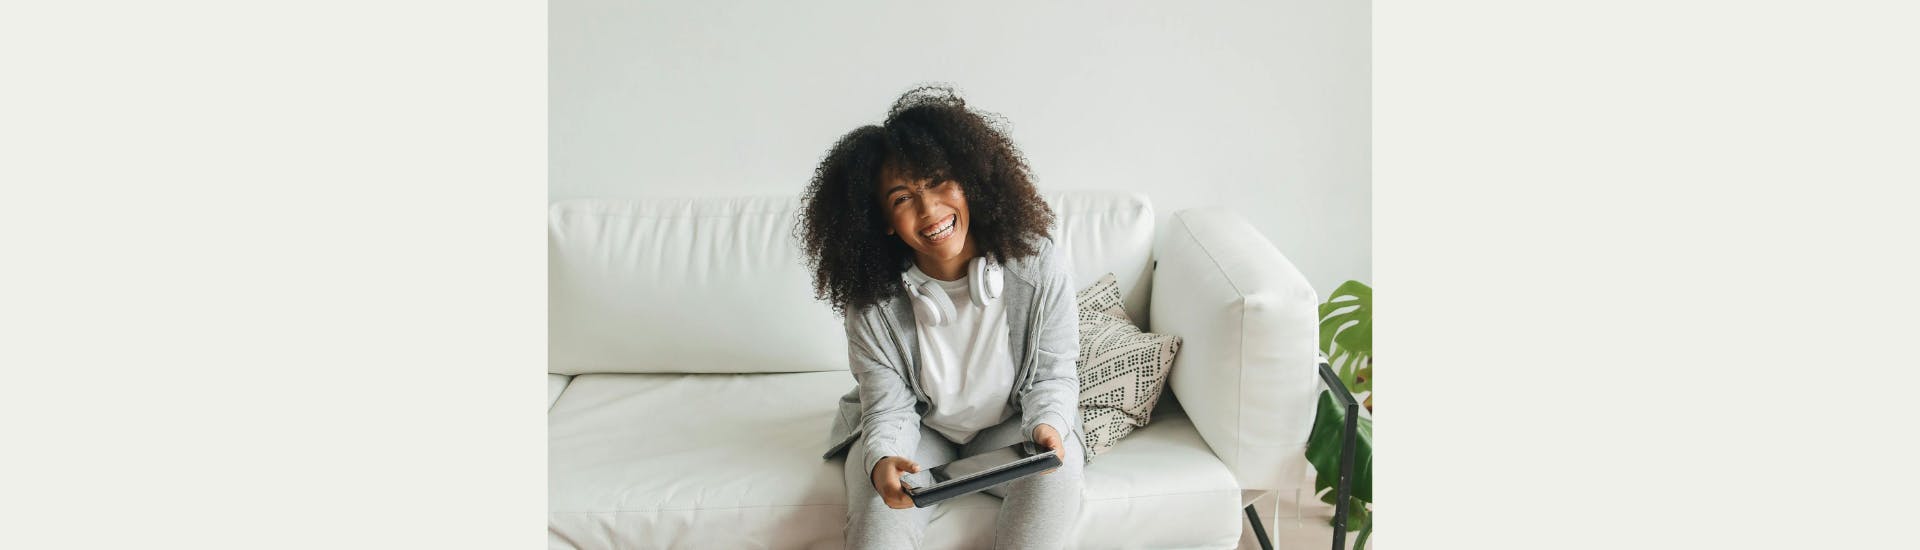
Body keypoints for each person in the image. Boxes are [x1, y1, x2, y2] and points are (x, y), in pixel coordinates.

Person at [798, 85, 1085, 549]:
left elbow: (1053, 374)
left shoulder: (1036, 264)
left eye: (937, 182)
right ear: (885, 220)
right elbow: (888, 406)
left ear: (968, 180)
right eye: (901, 198)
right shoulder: (870, 300)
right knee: (879, 512)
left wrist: (1048, 423)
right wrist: (884, 457)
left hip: (1010, 426)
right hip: (918, 430)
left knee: (1058, 471)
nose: (929, 210)